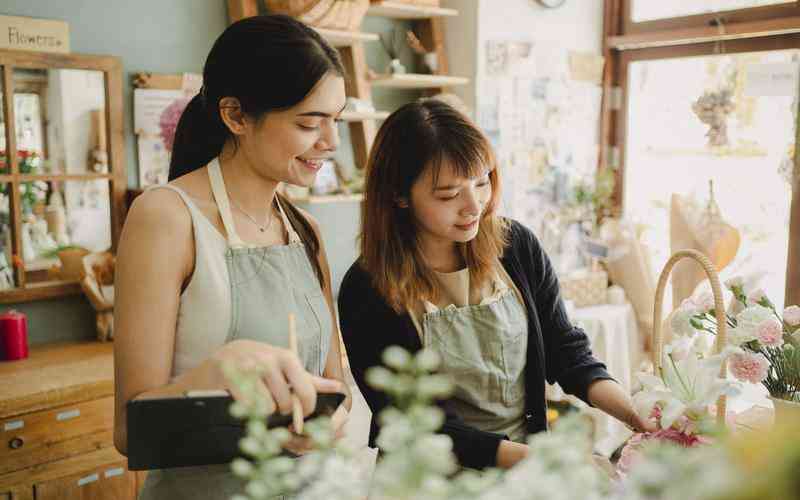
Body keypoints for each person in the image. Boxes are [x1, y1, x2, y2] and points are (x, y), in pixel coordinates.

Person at [338, 99, 654, 471]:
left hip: (521, 471)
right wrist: (538, 460)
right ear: (399, 196)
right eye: (448, 194)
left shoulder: (515, 246)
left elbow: (564, 349)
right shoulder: (368, 288)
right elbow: (417, 425)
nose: (474, 205)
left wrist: (635, 414)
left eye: (482, 181)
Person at [113, 14, 350, 498]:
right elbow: (129, 431)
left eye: (337, 120)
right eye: (310, 123)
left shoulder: (306, 231)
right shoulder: (166, 217)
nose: (331, 143)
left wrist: (322, 425)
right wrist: (216, 373)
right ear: (236, 116)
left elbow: (335, 390)